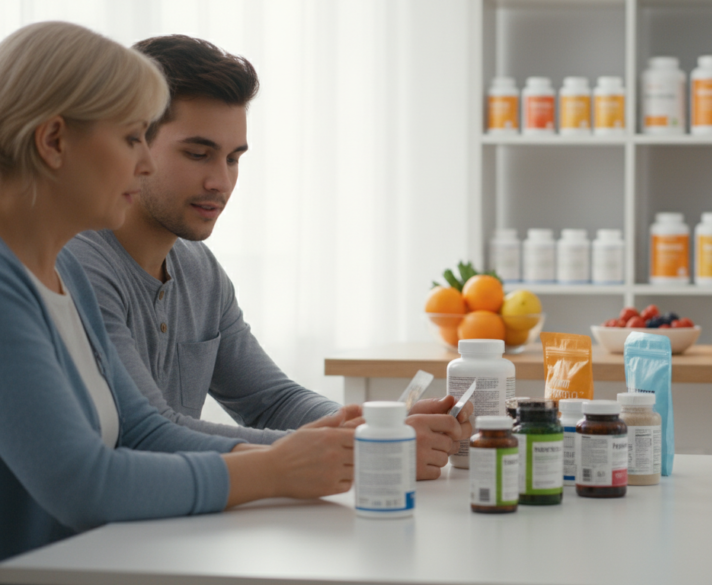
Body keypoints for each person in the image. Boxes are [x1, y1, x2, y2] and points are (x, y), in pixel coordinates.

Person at [0, 21, 363, 561]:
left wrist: (346, 441)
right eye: (130, 139)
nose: (142, 163)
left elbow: (141, 428)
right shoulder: (35, 277)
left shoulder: (61, 272)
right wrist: (276, 467)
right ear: (54, 141)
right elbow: (84, 483)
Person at [66, 35, 469, 480]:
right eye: (198, 154)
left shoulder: (200, 270)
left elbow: (271, 401)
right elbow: (149, 431)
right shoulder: (79, 263)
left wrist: (381, 426)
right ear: (135, 144)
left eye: (234, 158)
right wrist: (365, 447)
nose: (220, 181)